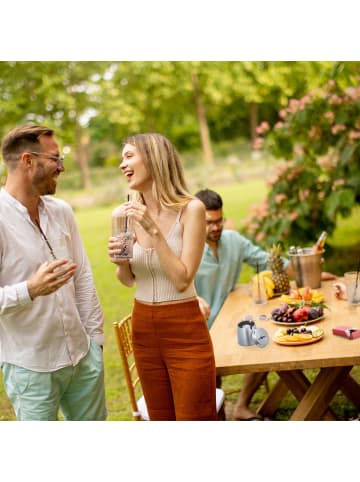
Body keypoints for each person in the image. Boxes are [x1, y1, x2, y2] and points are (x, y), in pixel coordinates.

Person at [194, 188, 336, 421]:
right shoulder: (188, 249)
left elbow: (272, 261)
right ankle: (215, 417)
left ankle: (241, 405)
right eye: (209, 223)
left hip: (231, 321)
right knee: (211, 373)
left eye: (219, 221)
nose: (216, 227)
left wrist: (311, 272)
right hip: (201, 329)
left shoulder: (233, 241)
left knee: (263, 340)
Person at [0, 125, 106, 421]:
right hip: (30, 370)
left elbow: (83, 275)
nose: (61, 167)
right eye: (55, 158)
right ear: (27, 161)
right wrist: (30, 290)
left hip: (83, 359)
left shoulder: (62, 211)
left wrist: (94, 342)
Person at [108, 133, 217, 421]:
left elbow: (182, 279)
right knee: (160, 418)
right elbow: (128, 279)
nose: (122, 164)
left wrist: (153, 231)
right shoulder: (125, 215)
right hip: (144, 328)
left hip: (184, 328)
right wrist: (120, 262)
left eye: (129, 156)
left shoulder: (192, 209)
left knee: (195, 418)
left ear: (154, 158)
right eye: (123, 157)